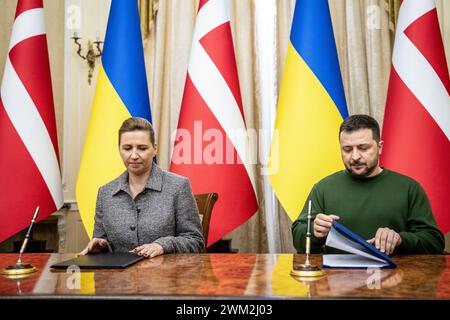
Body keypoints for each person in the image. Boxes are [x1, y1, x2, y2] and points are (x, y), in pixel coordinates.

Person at [292, 114, 445, 255]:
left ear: (380, 147)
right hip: (338, 280)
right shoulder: (323, 188)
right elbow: (298, 238)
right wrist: (314, 230)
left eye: (363, 148)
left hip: (395, 279)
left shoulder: (409, 188)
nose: (355, 156)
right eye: (347, 149)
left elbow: (434, 242)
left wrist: (401, 239)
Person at [81, 117, 204, 257]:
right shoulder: (105, 193)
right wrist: (99, 245)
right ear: (119, 150)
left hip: (165, 275)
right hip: (118, 277)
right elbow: (101, 241)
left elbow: (195, 241)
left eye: (142, 148)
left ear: (154, 149)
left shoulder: (178, 186)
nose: (134, 155)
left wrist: (162, 245)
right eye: (127, 148)